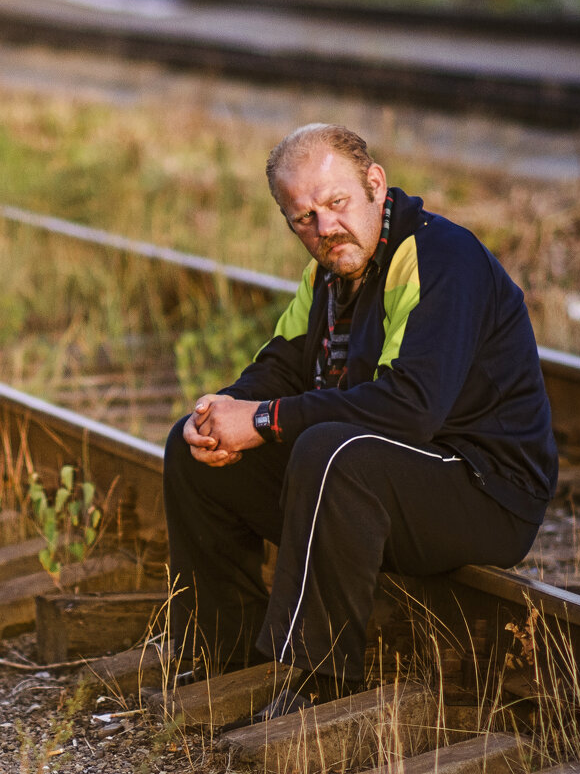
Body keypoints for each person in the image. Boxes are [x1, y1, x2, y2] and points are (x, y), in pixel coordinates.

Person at [163, 123, 558, 709]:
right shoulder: (329, 274)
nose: (324, 229)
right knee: (192, 450)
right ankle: (222, 659)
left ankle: (317, 682)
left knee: (331, 453)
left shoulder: (441, 258)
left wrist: (266, 420)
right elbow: (279, 370)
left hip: (483, 488)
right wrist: (224, 414)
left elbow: (411, 408)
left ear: (375, 183)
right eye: (303, 218)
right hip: (391, 482)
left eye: (336, 203)